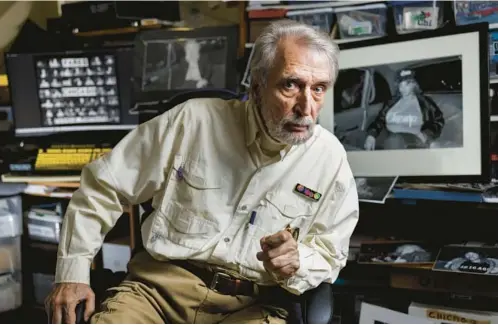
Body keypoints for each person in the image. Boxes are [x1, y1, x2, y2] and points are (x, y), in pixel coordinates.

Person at [46, 19, 359, 324]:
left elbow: (331, 254)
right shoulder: (192, 122)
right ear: (258, 84)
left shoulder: (329, 160)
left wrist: (298, 262)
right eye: (291, 85)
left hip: (251, 306)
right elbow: (104, 186)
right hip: (156, 293)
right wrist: (72, 275)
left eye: (318, 89)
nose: (306, 108)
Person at [363, 69, 444, 151]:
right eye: (400, 85)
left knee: (394, 141)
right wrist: (371, 135)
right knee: (357, 137)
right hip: (387, 136)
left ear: (413, 84)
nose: (402, 89)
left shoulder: (424, 102)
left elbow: (438, 121)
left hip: (412, 139)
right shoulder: (391, 102)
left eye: (407, 84)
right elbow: (380, 120)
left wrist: (427, 135)